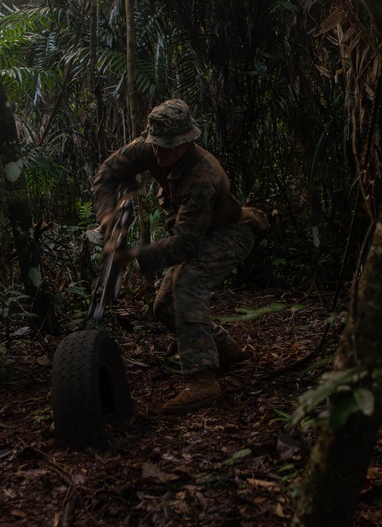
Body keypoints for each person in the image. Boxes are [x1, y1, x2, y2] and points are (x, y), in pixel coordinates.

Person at [92, 99, 266, 414]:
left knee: (188, 283)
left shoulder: (202, 175)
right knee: (163, 307)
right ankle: (223, 348)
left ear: (187, 141)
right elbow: (107, 175)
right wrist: (107, 219)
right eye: (156, 145)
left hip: (229, 234)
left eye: (169, 146)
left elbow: (185, 245)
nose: (160, 152)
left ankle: (202, 380)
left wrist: (132, 256)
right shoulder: (148, 149)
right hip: (198, 233)